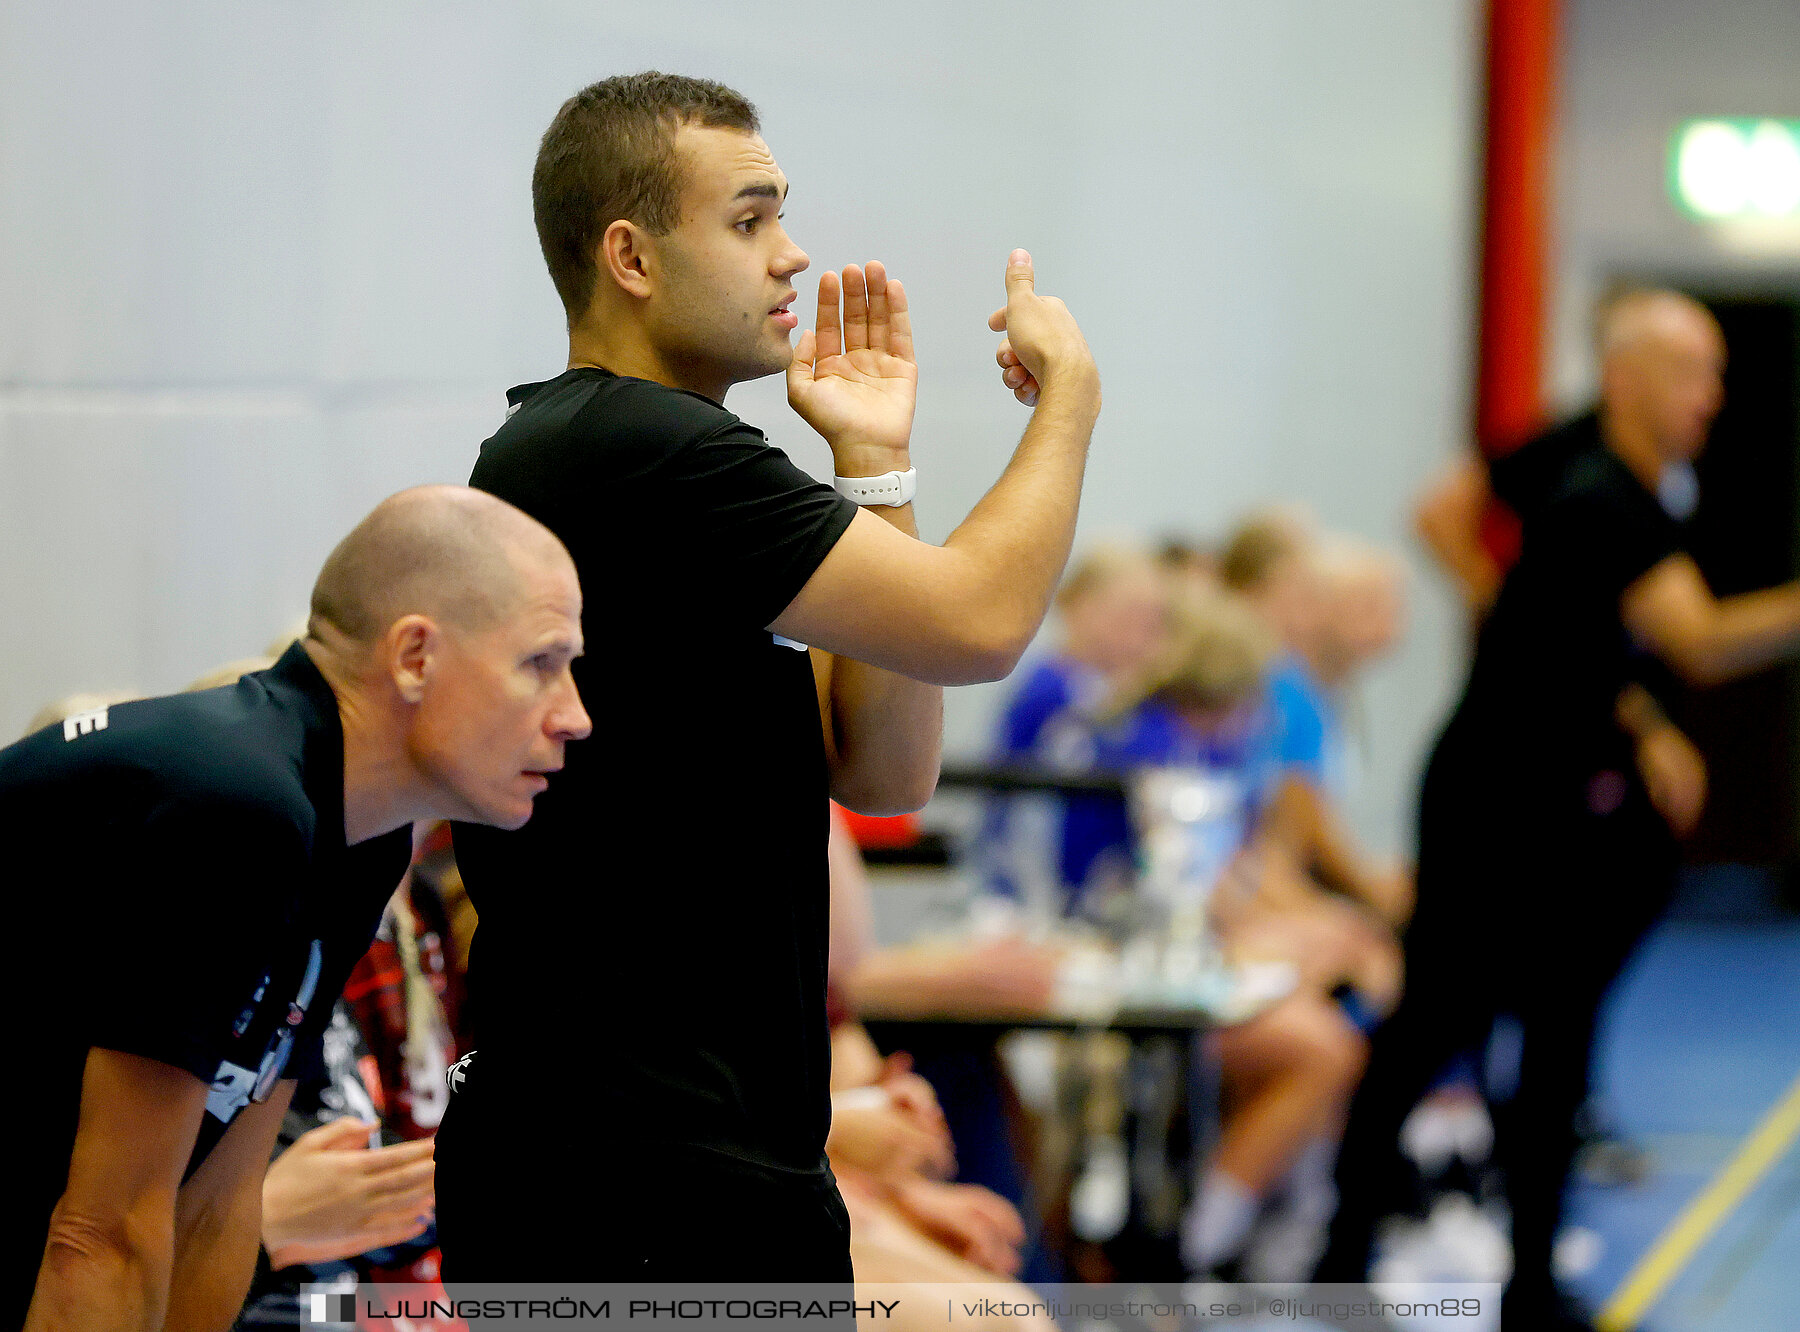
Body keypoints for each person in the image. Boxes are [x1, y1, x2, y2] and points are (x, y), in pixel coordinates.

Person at [439, 70, 1099, 1282]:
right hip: (637, 1168)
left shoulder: (633, 462)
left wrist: (872, 465)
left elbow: (885, 765)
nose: (791, 257)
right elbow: (981, 623)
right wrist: (1071, 401)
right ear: (630, 257)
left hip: (703, 1154)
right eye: (749, 222)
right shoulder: (638, 444)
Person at [1316, 290, 1800, 1330]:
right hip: (1497, 806)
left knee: (1558, 1034)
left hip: (1564, 796)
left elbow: (1596, 645)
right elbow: (1701, 641)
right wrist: (1504, 602)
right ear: (1627, 378)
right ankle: (1343, 1255)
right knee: (1437, 1023)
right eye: (1693, 375)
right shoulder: (1599, 496)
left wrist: (1633, 717)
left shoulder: (1627, 487)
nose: (1712, 398)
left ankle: (1527, 1276)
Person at [6, 486, 591, 1332]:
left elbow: (214, 1204)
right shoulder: (237, 803)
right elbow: (103, 1235)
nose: (575, 715)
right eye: (541, 663)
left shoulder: (358, 833)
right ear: (415, 658)